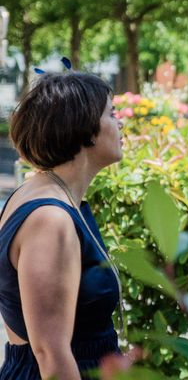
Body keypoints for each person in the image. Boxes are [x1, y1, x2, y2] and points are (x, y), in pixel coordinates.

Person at [0, 70, 123, 379]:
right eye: (112, 113)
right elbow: (50, 354)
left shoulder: (48, 194)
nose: (120, 123)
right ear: (87, 129)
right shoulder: (50, 220)